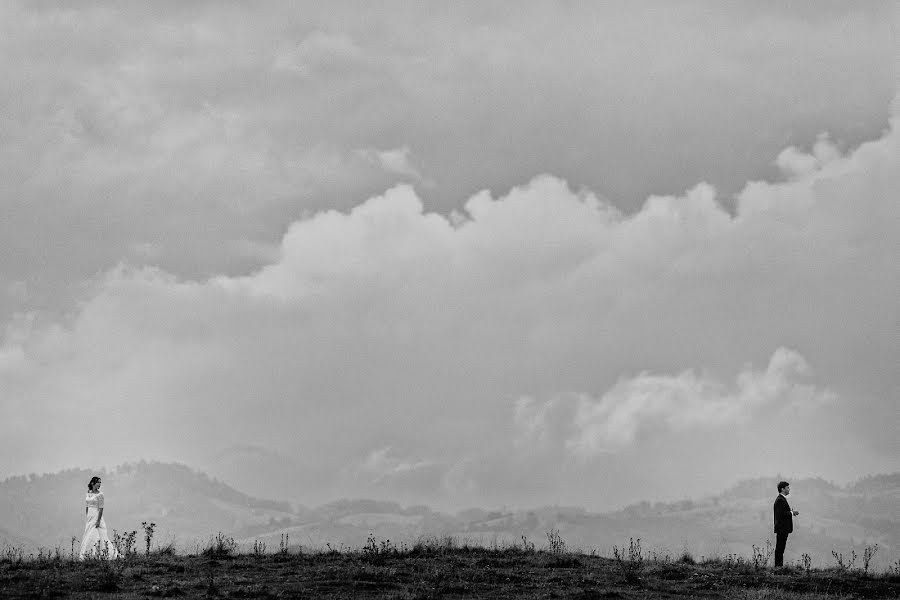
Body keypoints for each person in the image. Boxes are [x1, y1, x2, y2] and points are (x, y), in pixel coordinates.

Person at [78, 476, 119, 560]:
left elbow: (101, 509)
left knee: (95, 535)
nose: (99, 484)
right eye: (98, 482)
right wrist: (87, 516)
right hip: (90, 517)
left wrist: (98, 521)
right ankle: (87, 554)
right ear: (93, 483)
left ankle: (95, 554)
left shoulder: (100, 495)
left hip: (96, 516)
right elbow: (87, 505)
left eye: (100, 482)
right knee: (88, 534)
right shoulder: (88, 492)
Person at [773, 480, 799, 568]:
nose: (789, 489)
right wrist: (792, 512)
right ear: (782, 489)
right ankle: (778, 567)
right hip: (782, 528)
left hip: (782, 528)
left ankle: (779, 566)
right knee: (780, 548)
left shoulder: (781, 499)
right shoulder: (780, 500)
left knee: (780, 548)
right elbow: (782, 514)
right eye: (788, 487)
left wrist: (790, 512)